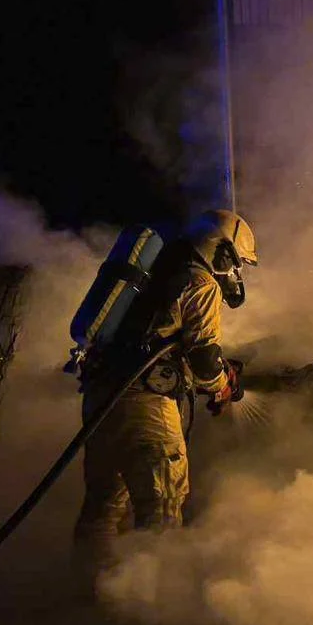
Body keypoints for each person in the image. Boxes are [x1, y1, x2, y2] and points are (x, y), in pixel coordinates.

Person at [73, 209, 258, 577]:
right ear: (221, 251)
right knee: (161, 507)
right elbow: (205, 358)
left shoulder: (157, 271)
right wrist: (223, 386)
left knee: (105, 507)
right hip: (147, 408)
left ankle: (91, 598)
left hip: (103, 399)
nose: (236, 275)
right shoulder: (200, 282)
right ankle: (149, 612)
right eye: (236, 263)